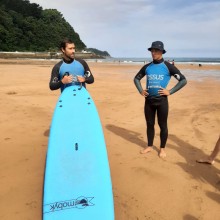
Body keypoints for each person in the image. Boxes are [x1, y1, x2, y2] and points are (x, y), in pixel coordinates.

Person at [134, 41, 187, 158]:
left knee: (162, 125)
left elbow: (183, 80)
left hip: (162, 101)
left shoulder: (168, 66)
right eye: (152, 51)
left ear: (162, 52)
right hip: (149, 101)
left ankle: (162, 148)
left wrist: (170, 91)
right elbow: (136, 79)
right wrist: (140, 90)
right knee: (149, 124)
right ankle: (149, 146)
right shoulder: (147, 67)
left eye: (156, 51)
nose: (154, 53)